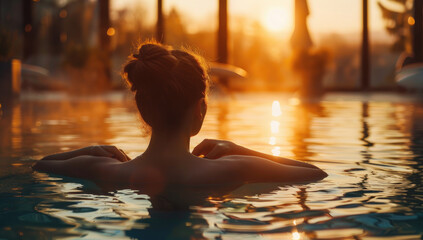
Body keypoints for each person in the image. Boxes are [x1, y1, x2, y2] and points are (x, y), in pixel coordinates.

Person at [33, 41, 327, 188]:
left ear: (143, 110)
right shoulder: (233, 169)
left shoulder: (107, 171)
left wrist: (92, 149)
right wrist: (237, 149)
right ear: (200, 111)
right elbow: (315, 174)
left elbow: (42, 165)